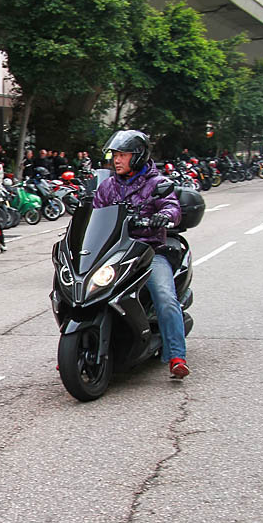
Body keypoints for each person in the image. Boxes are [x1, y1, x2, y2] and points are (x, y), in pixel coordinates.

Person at [92, 130, 188, 380]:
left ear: (137, 157)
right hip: (112, 252)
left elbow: (172, 207)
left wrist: (164, 216)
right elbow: (94, 213)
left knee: (165, 298)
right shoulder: (108, 186)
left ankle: (177, 356)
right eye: (115, 155)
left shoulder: (156, 184)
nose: (117, 160)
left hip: (149, 251)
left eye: (122, 155)